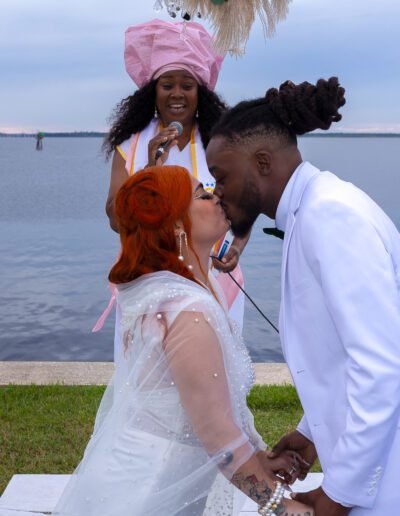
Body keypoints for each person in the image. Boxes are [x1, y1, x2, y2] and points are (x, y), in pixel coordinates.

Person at [52, 165, 313, 516]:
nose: (216, 196)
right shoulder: (187, 313)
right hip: (146, 494)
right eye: (202, 195)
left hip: (147, 480)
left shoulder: (173, 295)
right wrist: (282, 506)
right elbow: (217, 434)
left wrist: (260, 459)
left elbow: (217, 411)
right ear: (176, 225)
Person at [205, 77, 400, 515]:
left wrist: (340, 495)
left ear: (261, 162)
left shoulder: (329, 215)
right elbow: (338, 355)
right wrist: (311, 433)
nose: (217, 192)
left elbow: (381, 365)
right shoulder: (310, 210)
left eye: (221, 176)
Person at [101, 19, 248, 354]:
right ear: (153, 92)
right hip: (147, 281)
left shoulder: (223, 143)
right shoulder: (131, 145)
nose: (177, 93)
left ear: (201, 92)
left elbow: (244, 206)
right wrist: (150, 167)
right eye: (167, 85)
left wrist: (237, 246)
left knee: (215, 366)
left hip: (216, 279)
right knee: (148, 370)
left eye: (187, 85)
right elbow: (115, 220)